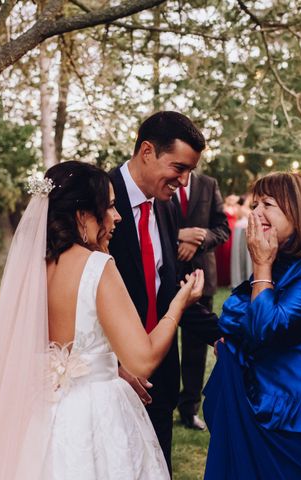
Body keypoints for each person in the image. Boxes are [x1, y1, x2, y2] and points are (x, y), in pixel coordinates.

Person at [0, 161, 205, 479]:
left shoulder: (25, 272)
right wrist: (177, 306)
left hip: (37, 423)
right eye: (110, 207)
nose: (117, 217)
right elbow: (143, 360)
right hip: (96, 419)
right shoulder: (97, 266)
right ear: (81, 215)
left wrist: (103, 364)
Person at [202, 172, 301, 479]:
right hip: (259, 407)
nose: (256, 212)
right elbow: (233, 319)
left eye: (268, 204)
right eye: (255, 203)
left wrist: (261, 266)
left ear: (299, 210)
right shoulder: (283, 260)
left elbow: (266, 329)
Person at [108, 111, 220, 473]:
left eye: (189, 171)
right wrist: (113, 364)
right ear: (146, 152)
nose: (184, 181)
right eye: (178, 167)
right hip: (110, 380)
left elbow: (168, 288)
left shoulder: (166, 207)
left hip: (160, 375)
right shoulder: (96, 201)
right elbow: (74, 295)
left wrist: (223, 336)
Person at [172, 172, 230, 430]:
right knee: (163, 344)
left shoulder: (209, 183)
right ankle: (162, 400)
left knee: (196, 349)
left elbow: (222, 228)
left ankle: (189, 409)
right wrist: (179, 236)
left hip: (201, 276)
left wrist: (199, 240)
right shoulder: (163, 181)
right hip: (167, 274)